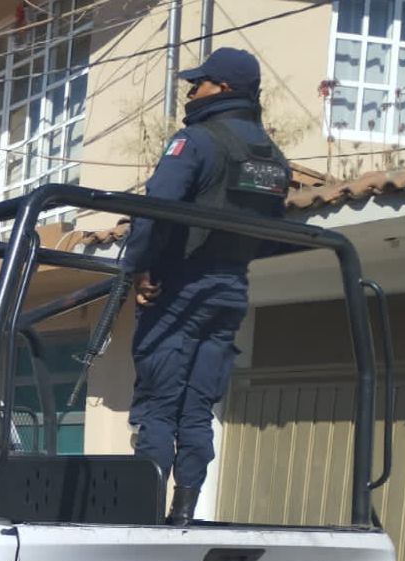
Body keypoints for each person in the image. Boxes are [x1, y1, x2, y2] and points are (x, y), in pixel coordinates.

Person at [121, 47, 289, 526]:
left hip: (180, 287)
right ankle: (184, 510)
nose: (191, 91)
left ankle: (145, 516)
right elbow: (270, 231)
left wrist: (140, 267)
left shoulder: (194, 141)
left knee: (159, 402)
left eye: (200, 83)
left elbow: (157, 206)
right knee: (197, 407)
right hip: (231, 291)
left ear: (225, 89)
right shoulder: (273, 158)